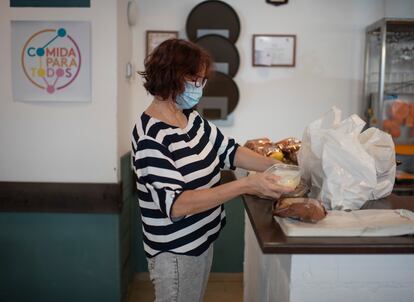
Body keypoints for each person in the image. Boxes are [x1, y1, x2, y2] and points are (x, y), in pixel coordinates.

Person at [131, 39, 291, 302]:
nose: (200, 87)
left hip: (202, 239)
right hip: (176, 252)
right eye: (195, 79)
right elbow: (177, 205)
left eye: (202, 80)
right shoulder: (152, 136)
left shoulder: (189, 117)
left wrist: (283, 166)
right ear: (171, 77)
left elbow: (228, 150)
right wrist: (246, 185)